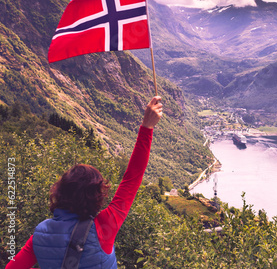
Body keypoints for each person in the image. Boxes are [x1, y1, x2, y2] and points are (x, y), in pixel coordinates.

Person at [6, 96, 163, 269]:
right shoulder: (104, 226)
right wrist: (147, 127)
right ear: (96, 195)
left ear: (61, 191)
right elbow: (132, 178)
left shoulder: (40, 234)